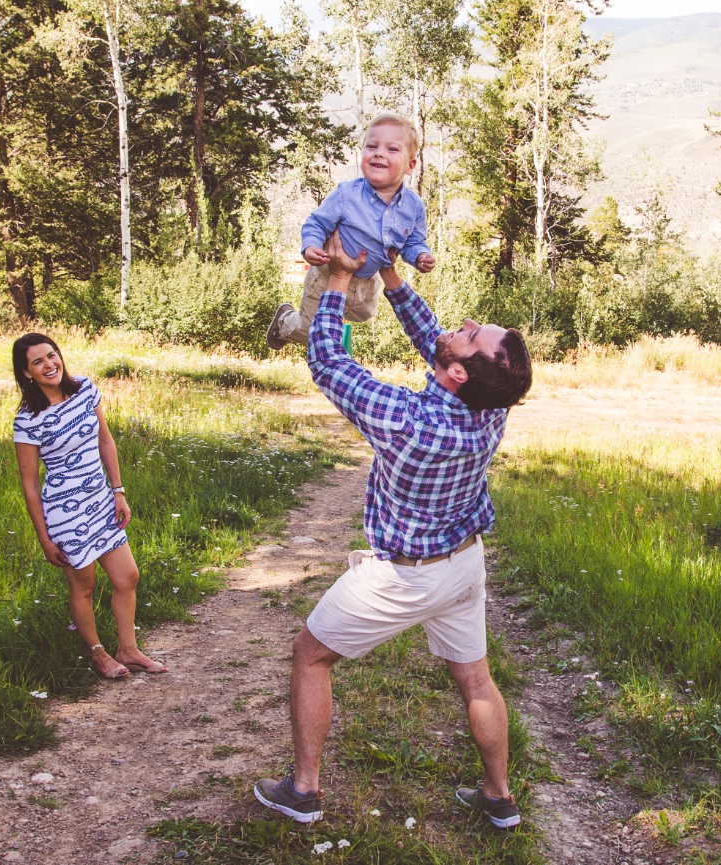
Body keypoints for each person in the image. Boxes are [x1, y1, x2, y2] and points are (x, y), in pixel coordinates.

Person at [253, 232, 532, 829]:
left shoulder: (408, 420)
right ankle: (499, 798)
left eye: (475, 333)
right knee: (475, 678)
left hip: (405, 577)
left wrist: (335, 283)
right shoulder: (493, 402)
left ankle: (302, 791)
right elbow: (438, 346)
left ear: (458, 370)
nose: (471, 321)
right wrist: (394, 280)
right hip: (463, 565)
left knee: (310, 656)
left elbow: (328, 362)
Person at [12, 333, 167, 680]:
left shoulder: (84, 389)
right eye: (37, 362)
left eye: (52, 355)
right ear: (27, 373)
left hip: (100, 500)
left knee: (127, 576)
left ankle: (128, 649)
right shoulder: (28, 420)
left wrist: (119, 491)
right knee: (84, 586)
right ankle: (97, 653)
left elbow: (105, 439)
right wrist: (44, 539)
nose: (49, 364)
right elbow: (30, 484)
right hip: (65, 514)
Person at [267, 112, 435, 350]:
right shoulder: (347, 194)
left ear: (410, 165)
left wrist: (420, 256)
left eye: (392, 149)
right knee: (314, 332)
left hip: (367, 280)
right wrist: (311, 246)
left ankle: (333, 316)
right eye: (372, 146)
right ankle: (285, 322)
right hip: (328, 274)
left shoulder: (414, 206)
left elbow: (413, 241)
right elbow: (317, 223)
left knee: (365, 314)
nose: (379, 153)